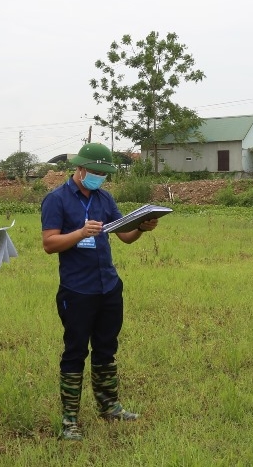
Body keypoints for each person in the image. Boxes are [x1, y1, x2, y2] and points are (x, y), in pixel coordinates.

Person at [40, 142, 158, 440]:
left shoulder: (105, 199)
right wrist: (80, 233)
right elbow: (49, 244)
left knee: (106, 347)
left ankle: (110, 406)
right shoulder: (56, 200)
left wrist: (143, 227)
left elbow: (125, 236)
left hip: (108, 286)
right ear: (79, 168)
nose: (99, 177)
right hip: (77, 290)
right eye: (94, 171)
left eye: (103, 173)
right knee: (75, 350)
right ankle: (70, 420)